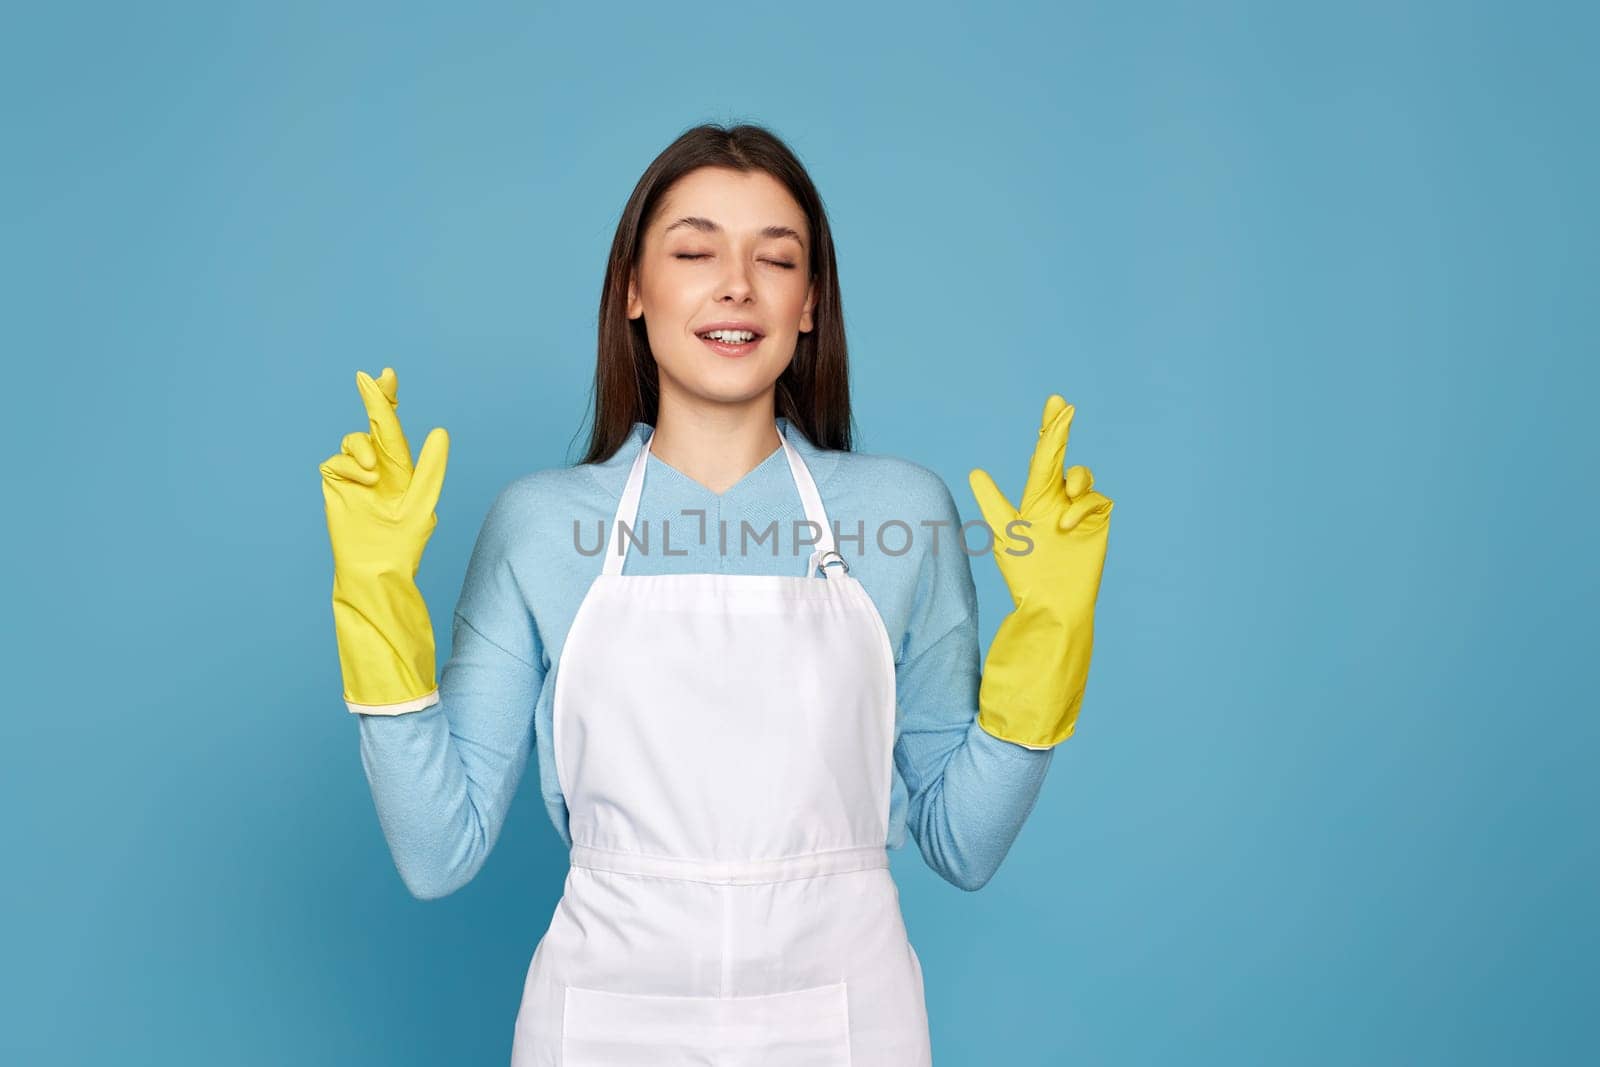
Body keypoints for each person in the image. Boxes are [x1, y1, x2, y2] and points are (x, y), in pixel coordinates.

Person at [318, 123, 1114, 1066]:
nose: (735, 283)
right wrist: (374, 598)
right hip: (604, 1022)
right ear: (633, 291)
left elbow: (963, 843)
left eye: (775, 259)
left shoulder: (901, 513)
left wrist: (1051, 634)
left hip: (846, 1021)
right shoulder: (539, 526)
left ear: (809, 304)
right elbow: (435, 851)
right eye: (694, 251)